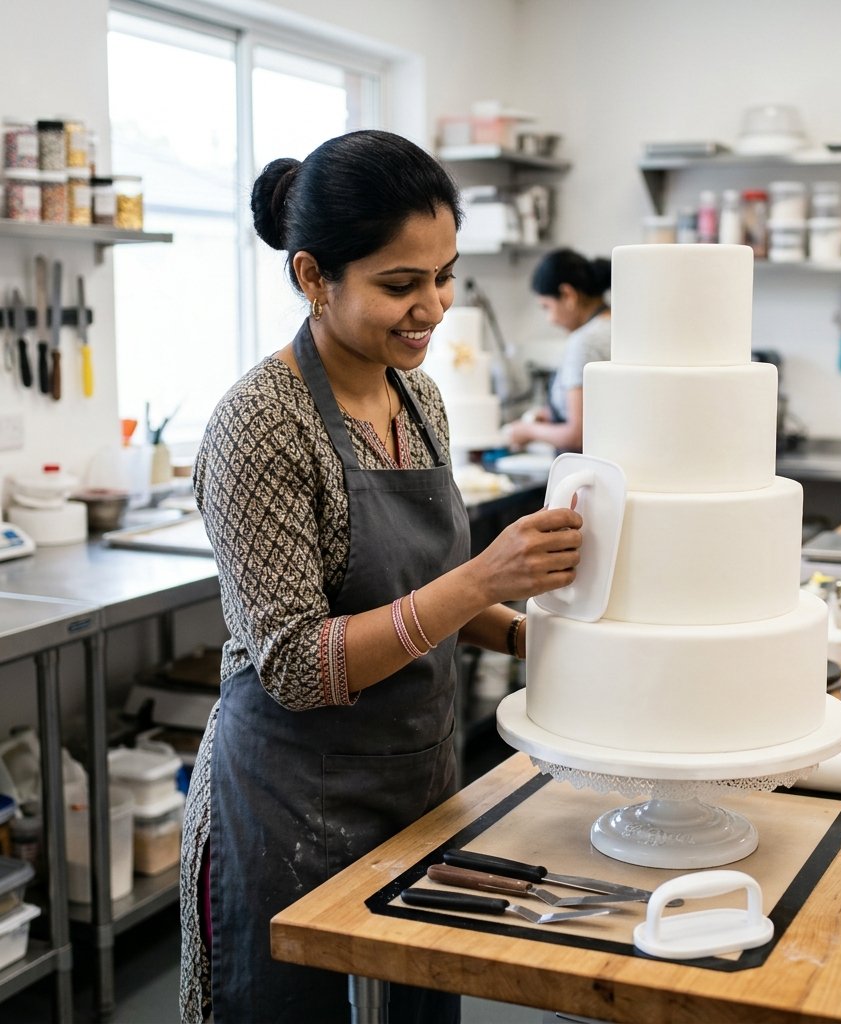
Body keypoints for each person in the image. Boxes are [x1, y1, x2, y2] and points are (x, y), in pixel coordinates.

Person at [178, 130, 583, 1024]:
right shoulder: (262, 423)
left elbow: (423, 588)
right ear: (313, 277)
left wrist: (536, 639)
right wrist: (484, 581)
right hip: (290, 804)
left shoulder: (418, 398)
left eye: (443, 275)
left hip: (415, 787)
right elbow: (296, 664)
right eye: (399, 285)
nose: (432, 308)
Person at [502, 248, 611, 453]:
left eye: (547, 307)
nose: (550, 319)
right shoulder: (616, 325)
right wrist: (551, 415)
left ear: (568, 295)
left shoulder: (584, 342)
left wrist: (527, 431)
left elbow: (577, 435)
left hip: (588, 472)